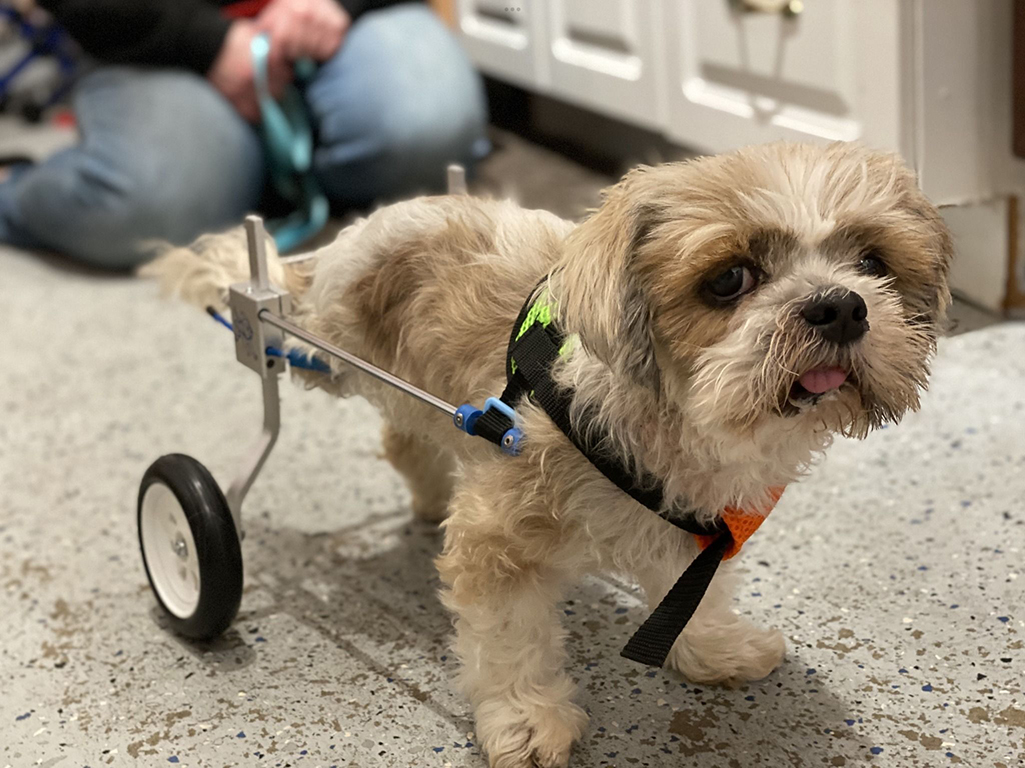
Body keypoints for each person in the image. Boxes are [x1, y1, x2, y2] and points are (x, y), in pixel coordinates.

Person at [0, 0, 488, 268]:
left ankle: (258, 171)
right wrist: (206, 41)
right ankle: (15, 191)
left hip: (342, 14)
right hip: (149, 29)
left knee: (429, 127)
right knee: (142, 207)